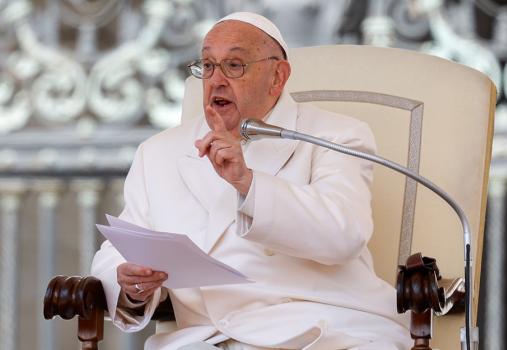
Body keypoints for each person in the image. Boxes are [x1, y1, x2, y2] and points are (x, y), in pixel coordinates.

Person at [91, 12, 411, 350]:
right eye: (208, 66)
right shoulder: (158, 153)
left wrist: (248, 184)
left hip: (327, 328)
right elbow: (119, 248)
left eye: (234, 66)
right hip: (207, 337)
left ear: (277, 76)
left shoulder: (336, 136)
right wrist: (131, 284)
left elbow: (344, 235)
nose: (216, 80)